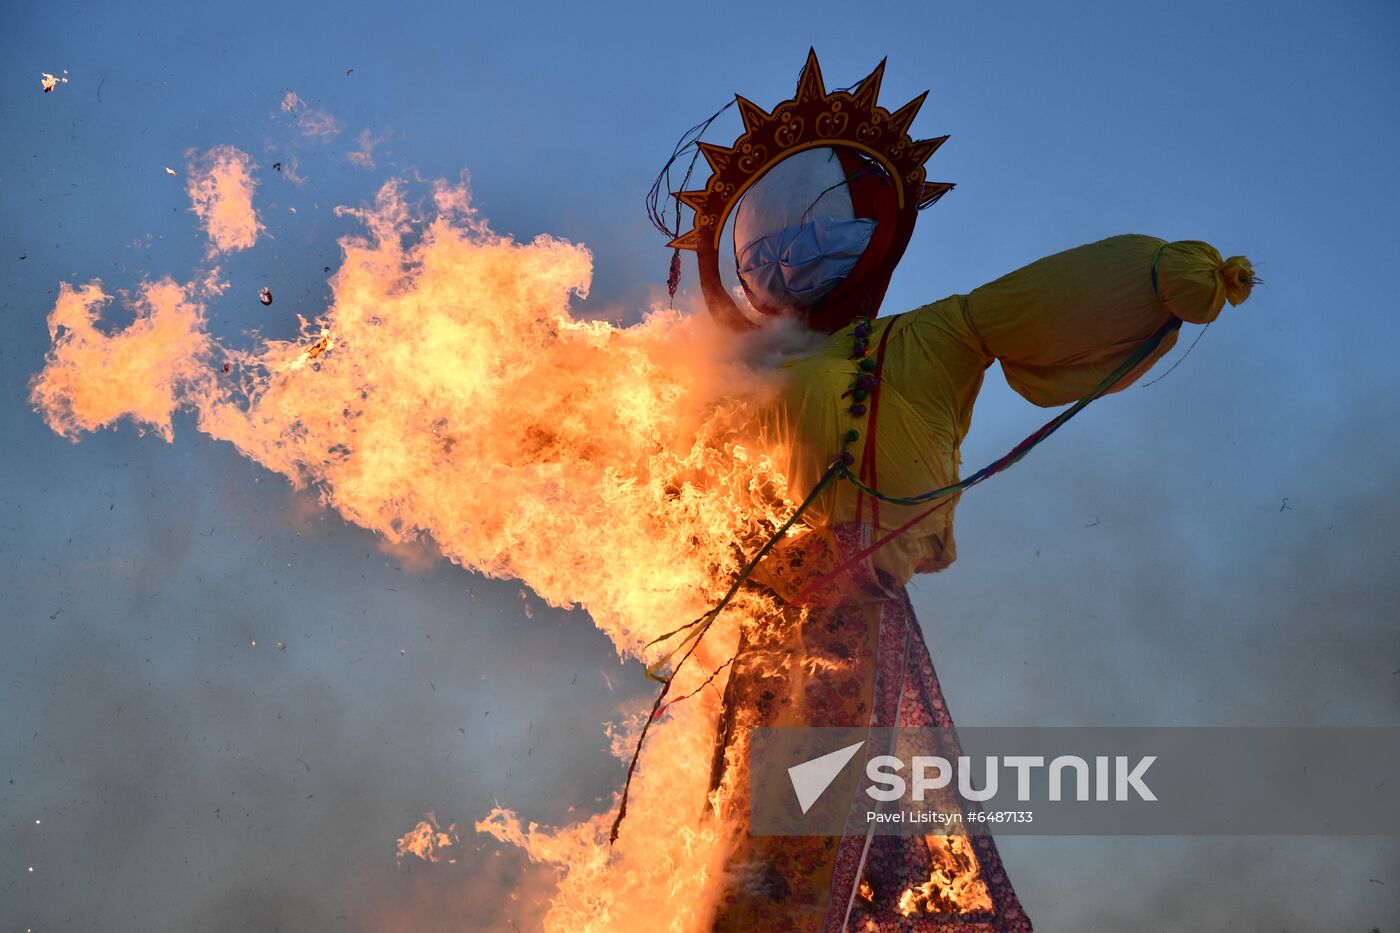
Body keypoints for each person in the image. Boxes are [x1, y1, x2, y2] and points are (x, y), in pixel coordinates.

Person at [702, 231, 1255, 931]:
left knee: (806, 841)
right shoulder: (748, 370)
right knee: (738, 835)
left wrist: (1166, 281)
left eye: (812, 240)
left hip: (847, 613)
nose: (785, 264)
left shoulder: (928, 335)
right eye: (768, 253)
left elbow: (1034, 307)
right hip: (761, 630)